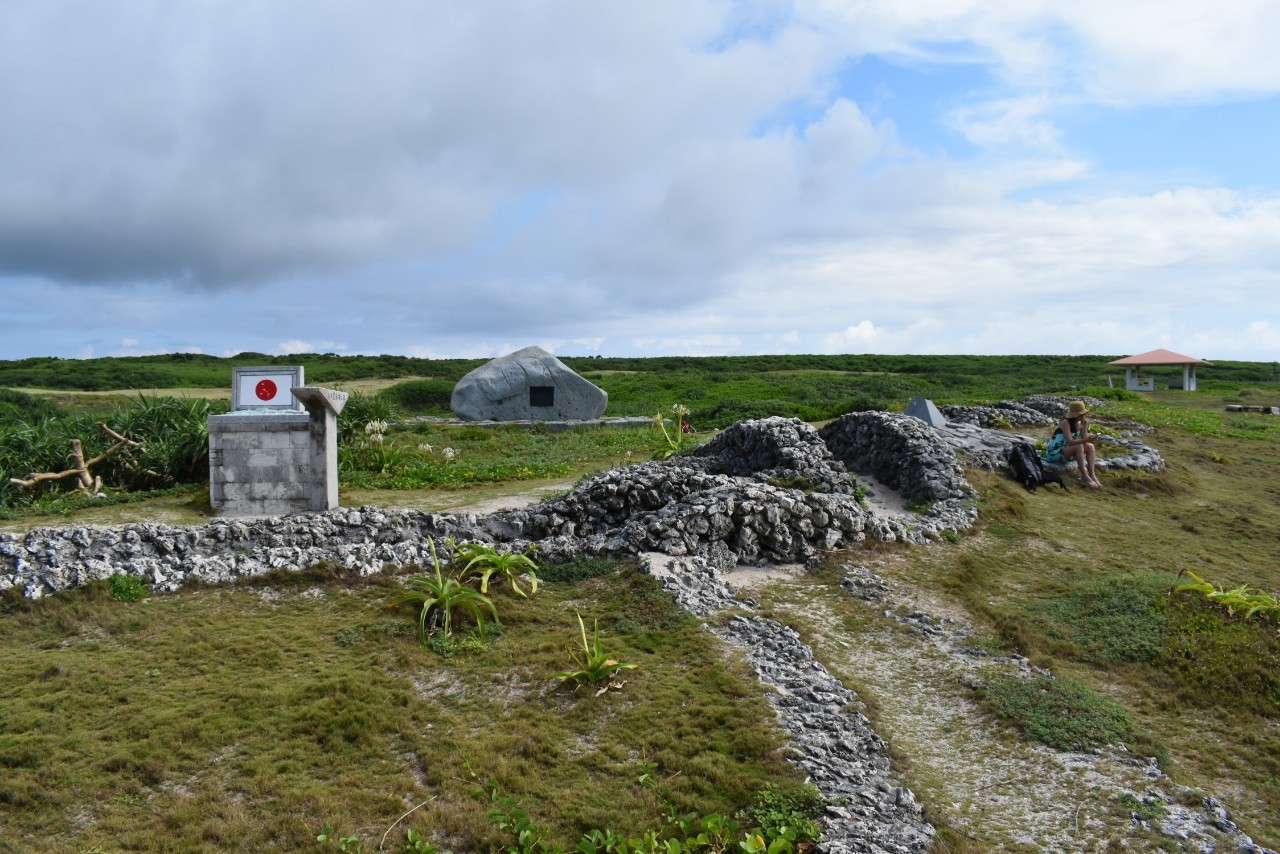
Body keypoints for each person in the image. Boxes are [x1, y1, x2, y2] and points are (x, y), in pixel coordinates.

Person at [1045, 400, 1102, 489]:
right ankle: (1084, 475)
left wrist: (1085, 427)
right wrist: (1087, 439)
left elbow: (1085, 441)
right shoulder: (1065, 423)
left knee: (1090, 447)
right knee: (1079, 447)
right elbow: (1070, 441)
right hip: (1056, 452)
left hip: (1068, 450)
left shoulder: (1082, 423)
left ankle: (1092, 474)